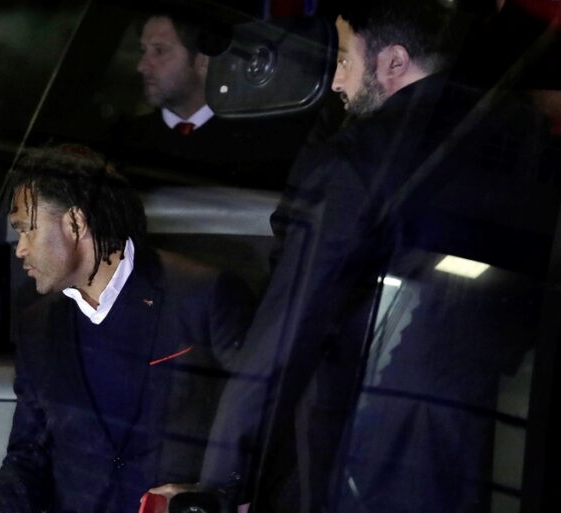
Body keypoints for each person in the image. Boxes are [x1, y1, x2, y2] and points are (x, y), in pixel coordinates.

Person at [192, 1, 556, 512]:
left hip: (360, 442)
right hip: (466, 438)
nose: (336, 81)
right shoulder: (519, 139)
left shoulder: (360, 159)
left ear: (394, 62)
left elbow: (287, 331)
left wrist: (224, 482)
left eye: (344, 59)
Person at [0, 144, 254, 513]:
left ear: (75, 223)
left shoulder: (200, 295)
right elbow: (30, 453)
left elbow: (263, 420)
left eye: (27, 230)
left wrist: (211, 497)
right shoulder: (37, 325)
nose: (20, 249)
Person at [112, 9, 315, 190]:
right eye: (143, 51)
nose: (142, 66)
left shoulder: (258, 145)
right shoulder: (123, 139)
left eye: (159, 50)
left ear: (203, 60)